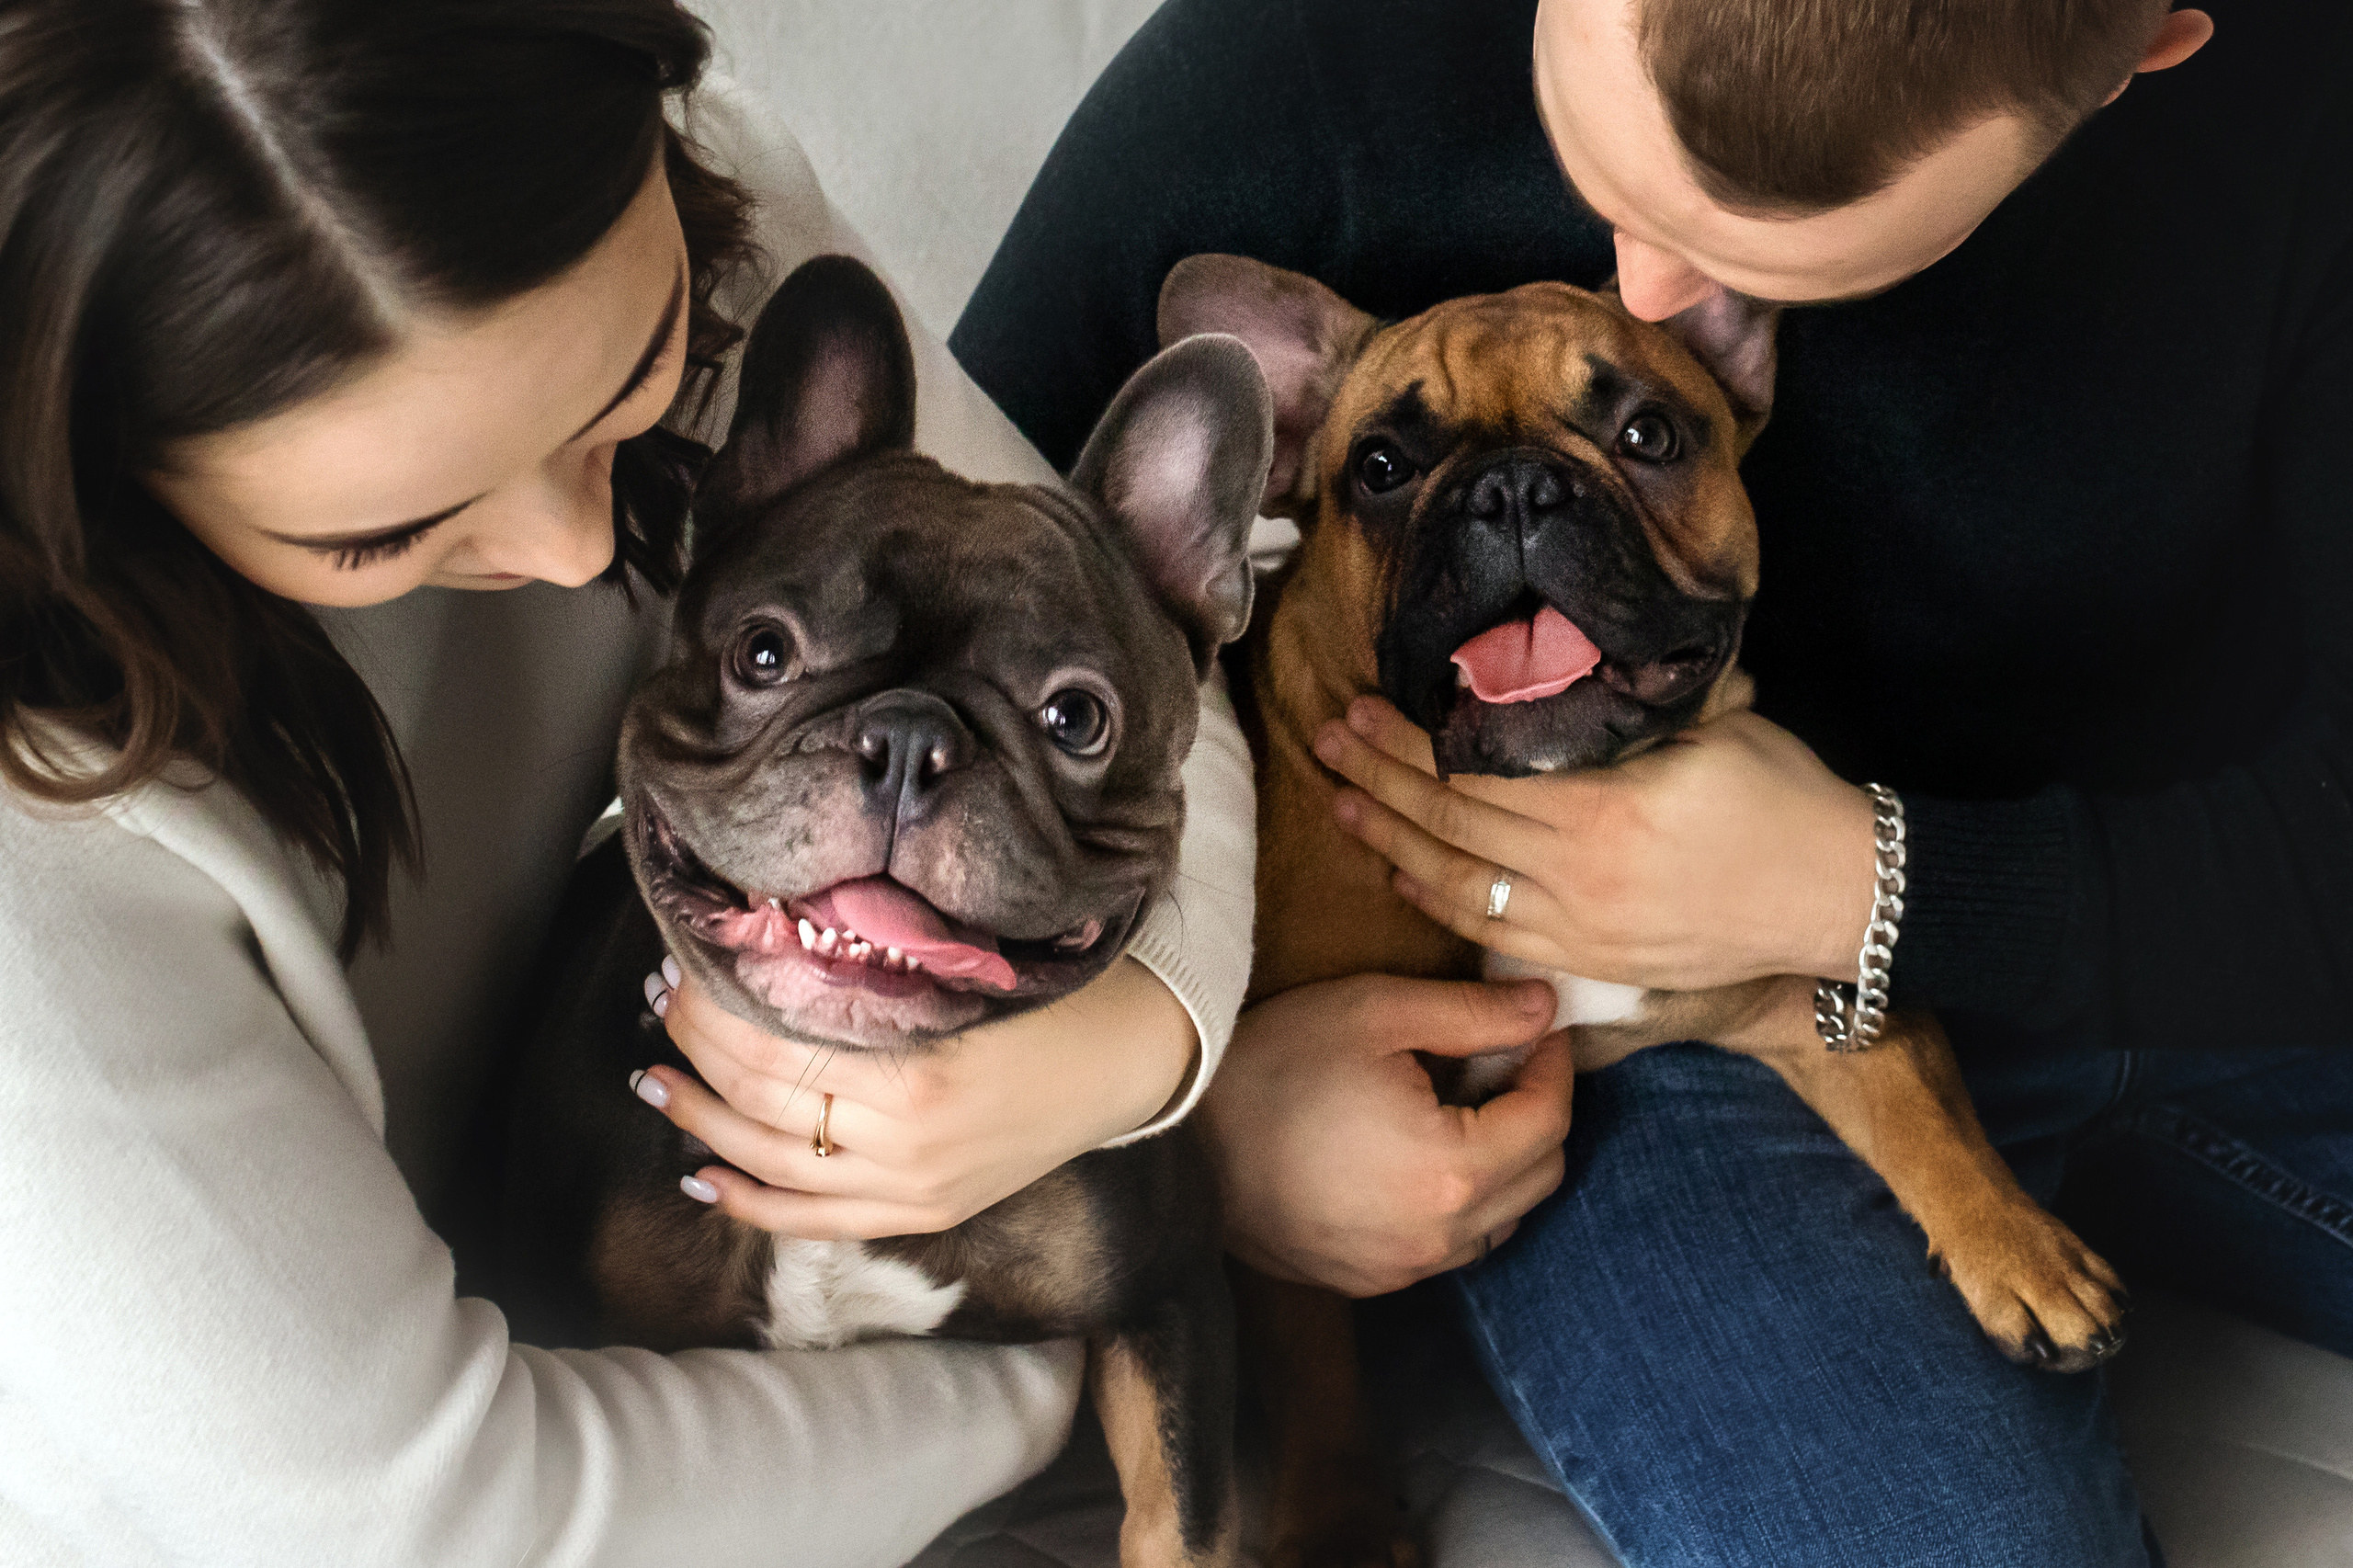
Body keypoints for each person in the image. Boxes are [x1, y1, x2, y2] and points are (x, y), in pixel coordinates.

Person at [949, 0, 2353, 1562]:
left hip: (2235, 958)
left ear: (2149, 40)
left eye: (1652, 403)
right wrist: (1200, 1119)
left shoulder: (2312, 117)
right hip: (1645, 1081)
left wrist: (1859, 886)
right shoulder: (1295, 69)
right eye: (1613, 187)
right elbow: (920, 619)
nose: (1655, 291)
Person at [0, 1, 1254, 1562]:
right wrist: (1030, 1373)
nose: (588, 560)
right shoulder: (29, 885)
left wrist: (1142, 1047)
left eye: (640, 384)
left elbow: (1124, 661)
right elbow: (446, 1514)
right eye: (389, 536)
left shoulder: (635, 197)